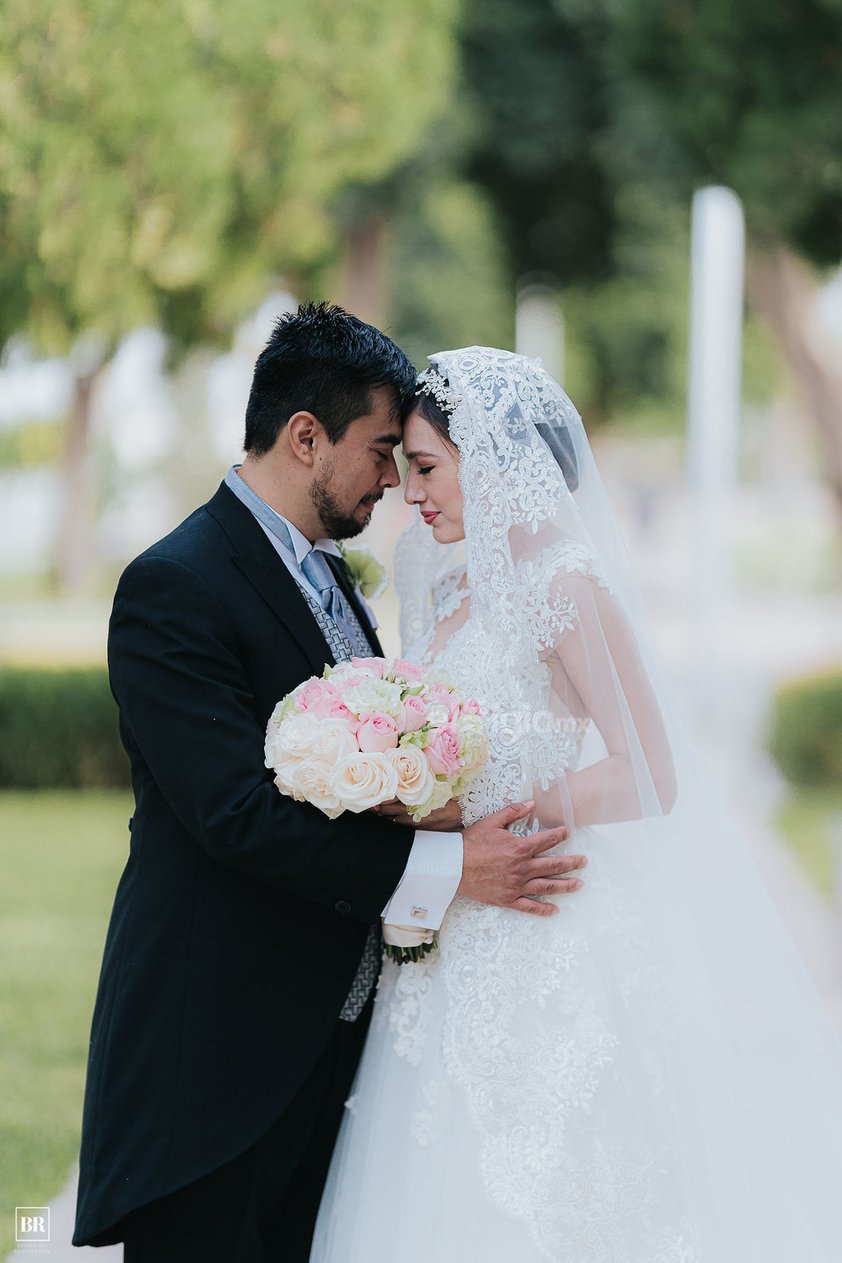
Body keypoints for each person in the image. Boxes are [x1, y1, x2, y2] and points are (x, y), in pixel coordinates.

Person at [72, 311, 587, 1261]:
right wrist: (448, 866)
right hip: (217, 1067)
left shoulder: (339, 580)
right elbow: (236, 816)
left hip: (332, 1061)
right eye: (382, 451)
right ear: (306, 436)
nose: (393, 480)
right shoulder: (175, 586)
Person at [310, 346, 842, 1262]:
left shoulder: (566, 584)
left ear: (496, 463)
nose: (413, 493)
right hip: (450, 921)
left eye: (430, 469)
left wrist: (497, 805)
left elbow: (648, 770)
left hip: (541, 923)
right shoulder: (438, 583)